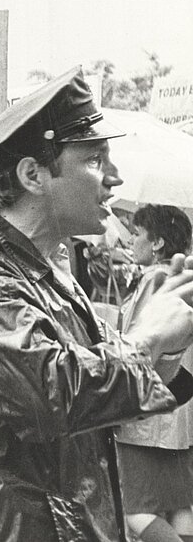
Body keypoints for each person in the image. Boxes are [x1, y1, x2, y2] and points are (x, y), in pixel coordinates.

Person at [0, 67, 193, 541]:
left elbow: (107, 394)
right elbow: (56, 393)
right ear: (32, 174)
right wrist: (150, 338)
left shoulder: (44, 269)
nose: (114, 177)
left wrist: (171, 343)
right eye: (94, 159)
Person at [116, 205, 193, 542]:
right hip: (180, 413)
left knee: (135, 508)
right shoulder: (182, 278)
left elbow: (138, 346)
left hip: (149, 414)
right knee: (178, 504)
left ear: (158, 242)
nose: (131, 241)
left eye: (136, 234)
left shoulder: (155, 280)